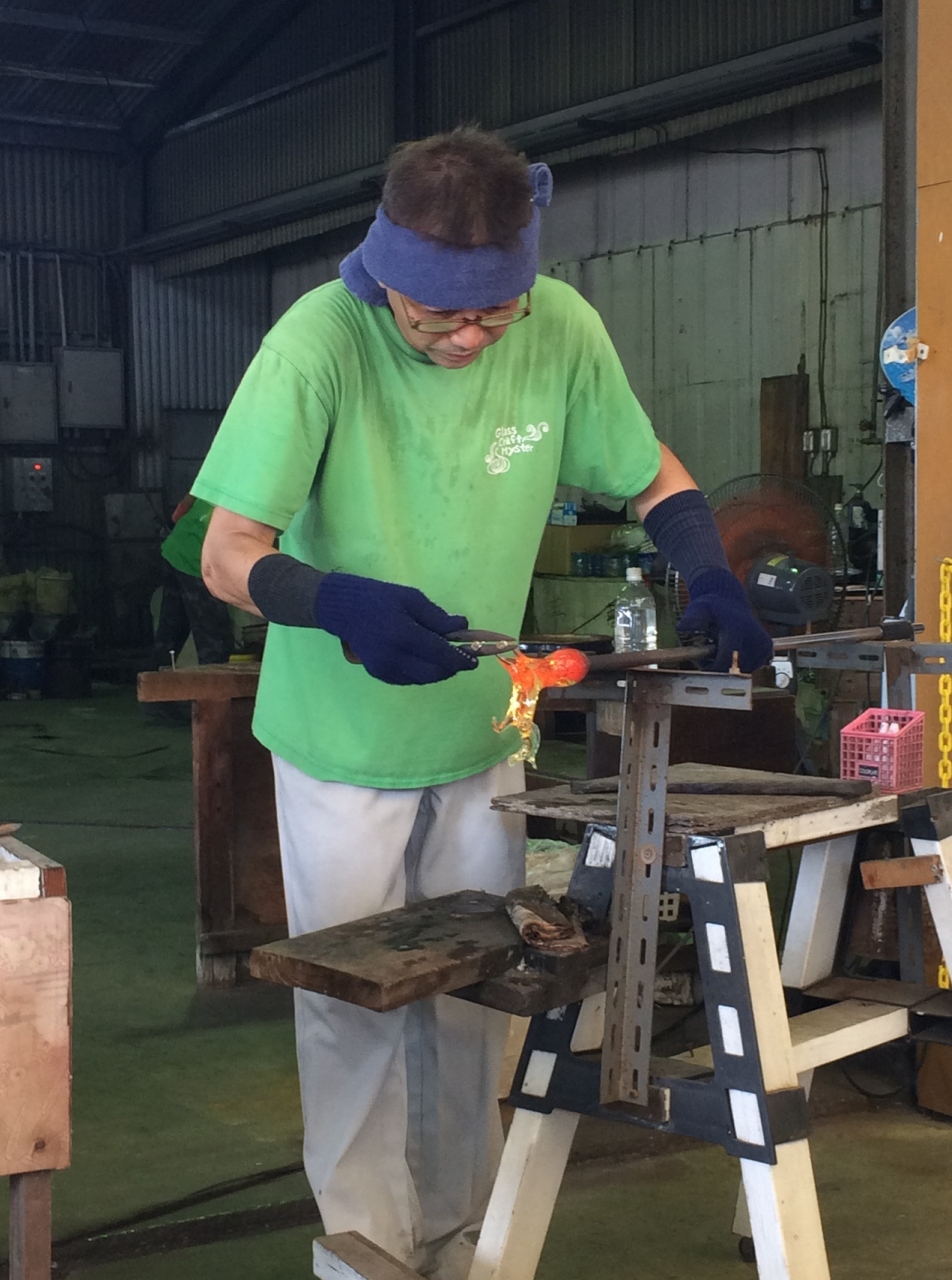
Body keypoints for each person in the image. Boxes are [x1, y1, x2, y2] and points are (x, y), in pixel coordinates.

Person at [193, 127, 772, 1279]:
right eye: (436, 317)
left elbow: (649, 470)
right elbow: (224, 551)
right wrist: (334, 600)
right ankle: (364, 1249)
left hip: (480, 734)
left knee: (477, 1001)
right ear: (384, 278)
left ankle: (468, 1241)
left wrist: (707, 569)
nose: (465, 338)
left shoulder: (557, 326)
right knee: (354, 1007)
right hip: (342, 742)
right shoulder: (316, 342)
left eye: (489, 314)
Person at [153, 494, 234, 667]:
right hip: (196, 560)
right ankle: (215, 681)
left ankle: (156, 678)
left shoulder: (219, 483)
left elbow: (179, 512)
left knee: (172, 629)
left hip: (175, 548)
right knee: (215, 637)